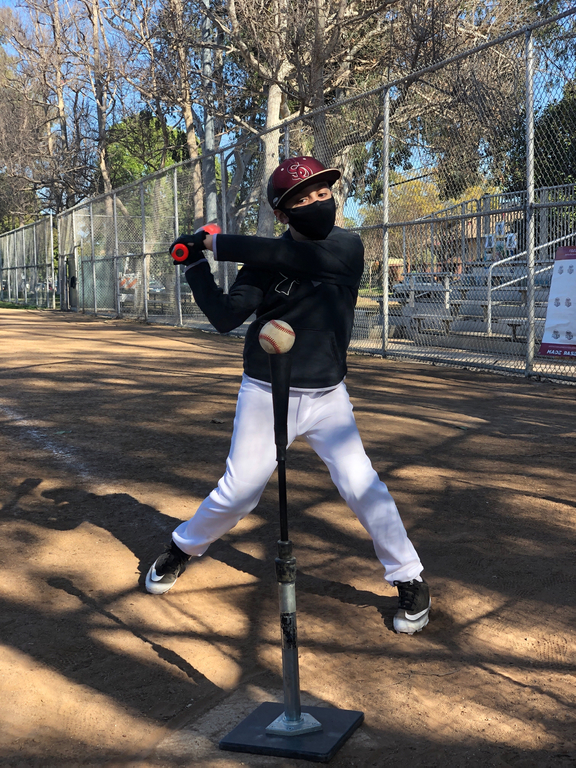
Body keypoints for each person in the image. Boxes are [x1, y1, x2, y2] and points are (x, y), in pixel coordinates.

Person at [145, 156, 431, 635]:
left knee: (362, 486)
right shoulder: (262, 259)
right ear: (282, 213)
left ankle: (409, 577)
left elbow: (291, 258)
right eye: (304, 198)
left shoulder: (346, 246)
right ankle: (181, 548)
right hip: (266, 391)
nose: (318, 202)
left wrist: (215, 242)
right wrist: (194, 263)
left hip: (327, 398)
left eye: (323, 193)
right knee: (238, 493)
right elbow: (226, 316)